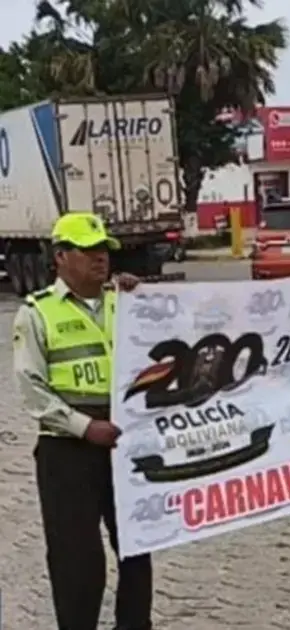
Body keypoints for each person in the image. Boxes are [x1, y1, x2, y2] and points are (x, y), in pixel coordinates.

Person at [11, 212, 150, 629]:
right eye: (87, 250)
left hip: (124, 443)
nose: (99, 258)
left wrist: (144, 301)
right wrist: (84, 427)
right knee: (77, 558)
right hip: (67, 449)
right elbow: (32, 388)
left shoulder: (125, 302)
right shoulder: (37, 314)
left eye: (103, 250)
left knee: (136, 548)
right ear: (60, 257)